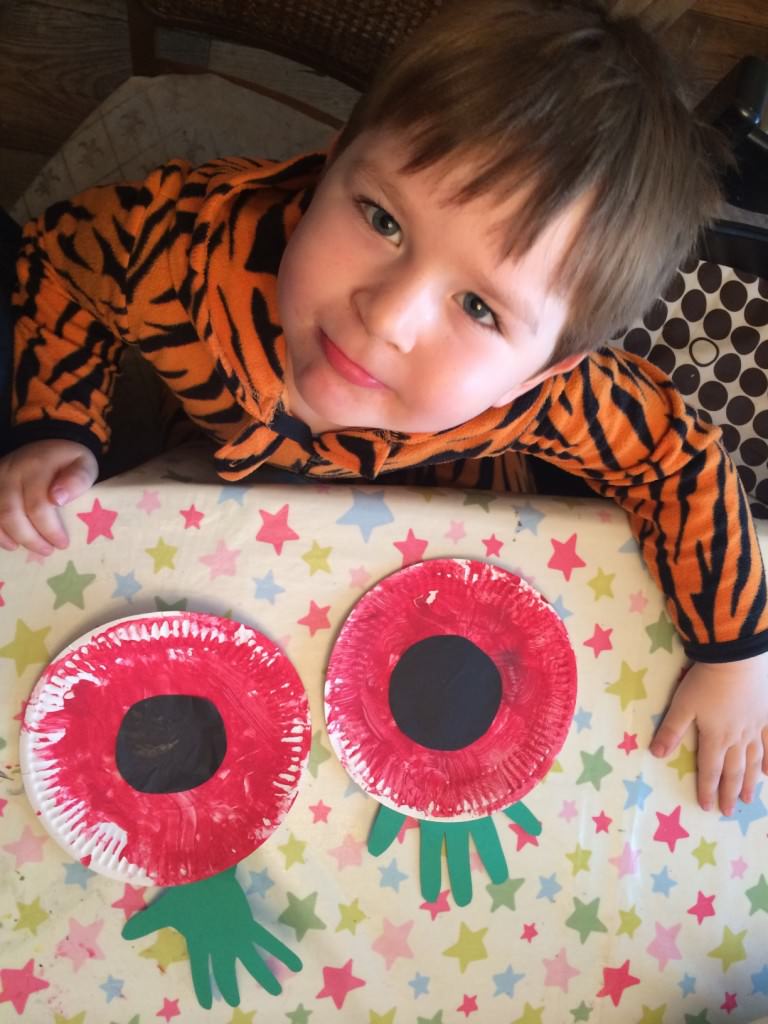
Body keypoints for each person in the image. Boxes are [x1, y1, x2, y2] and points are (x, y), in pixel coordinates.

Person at [1, 0, 766, 816]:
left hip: (441, 583)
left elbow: (673, 457)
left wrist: (736, 654)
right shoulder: (180, 250)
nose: (386, 318)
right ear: (332, 163)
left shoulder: (553, 401)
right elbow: (61, 259)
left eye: (479, 308)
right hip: (218, 523)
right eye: (381, 219)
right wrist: (57, 421)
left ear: (541, 372)